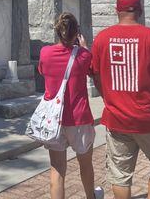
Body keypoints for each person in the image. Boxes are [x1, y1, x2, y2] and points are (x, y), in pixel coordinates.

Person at [91, 0, 150, 199]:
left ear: (116, 11)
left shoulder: (102, 38)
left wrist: (108, 98)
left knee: (120, 174)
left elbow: (95, 74)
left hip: (117, 117)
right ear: (139, 11)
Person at [38, 12, 104, 199]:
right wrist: (83, 47)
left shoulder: (45, 53)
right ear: (77, 33)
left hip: (55, 120)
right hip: (79, 117)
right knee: (85, 165)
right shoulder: (83, 55)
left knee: (57, 169)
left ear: (58, 31)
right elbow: (92, 72)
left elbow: (42, 71)